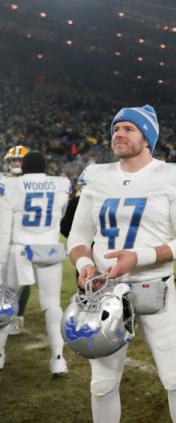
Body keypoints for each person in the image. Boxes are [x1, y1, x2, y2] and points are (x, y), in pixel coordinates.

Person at [66, 105, 176, 422]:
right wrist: (84, 263)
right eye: (116, 128)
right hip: (105, 291)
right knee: (101, 384)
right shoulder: (96, 176)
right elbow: (78, 235)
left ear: (147, 137)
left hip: (155, 288)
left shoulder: (172, 175)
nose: (119, 134)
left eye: (128, 128)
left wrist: (138, 257)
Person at [0, 151, 72, 374]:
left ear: (24, 167)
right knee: (52, 304)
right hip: (49, 249)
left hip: (19, 249)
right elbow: (60, 216)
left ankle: (0, 355)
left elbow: (3, 229)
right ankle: (59, 360)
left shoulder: (11, 185)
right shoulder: (60, 184)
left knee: (6, 302)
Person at [2, 145, 31, 336]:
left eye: (19, 160)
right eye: (13, 160)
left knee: (23, 278)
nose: (16, 163)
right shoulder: (3, 181)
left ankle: (18, 315)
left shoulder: (33, 183)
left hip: (25, 236)